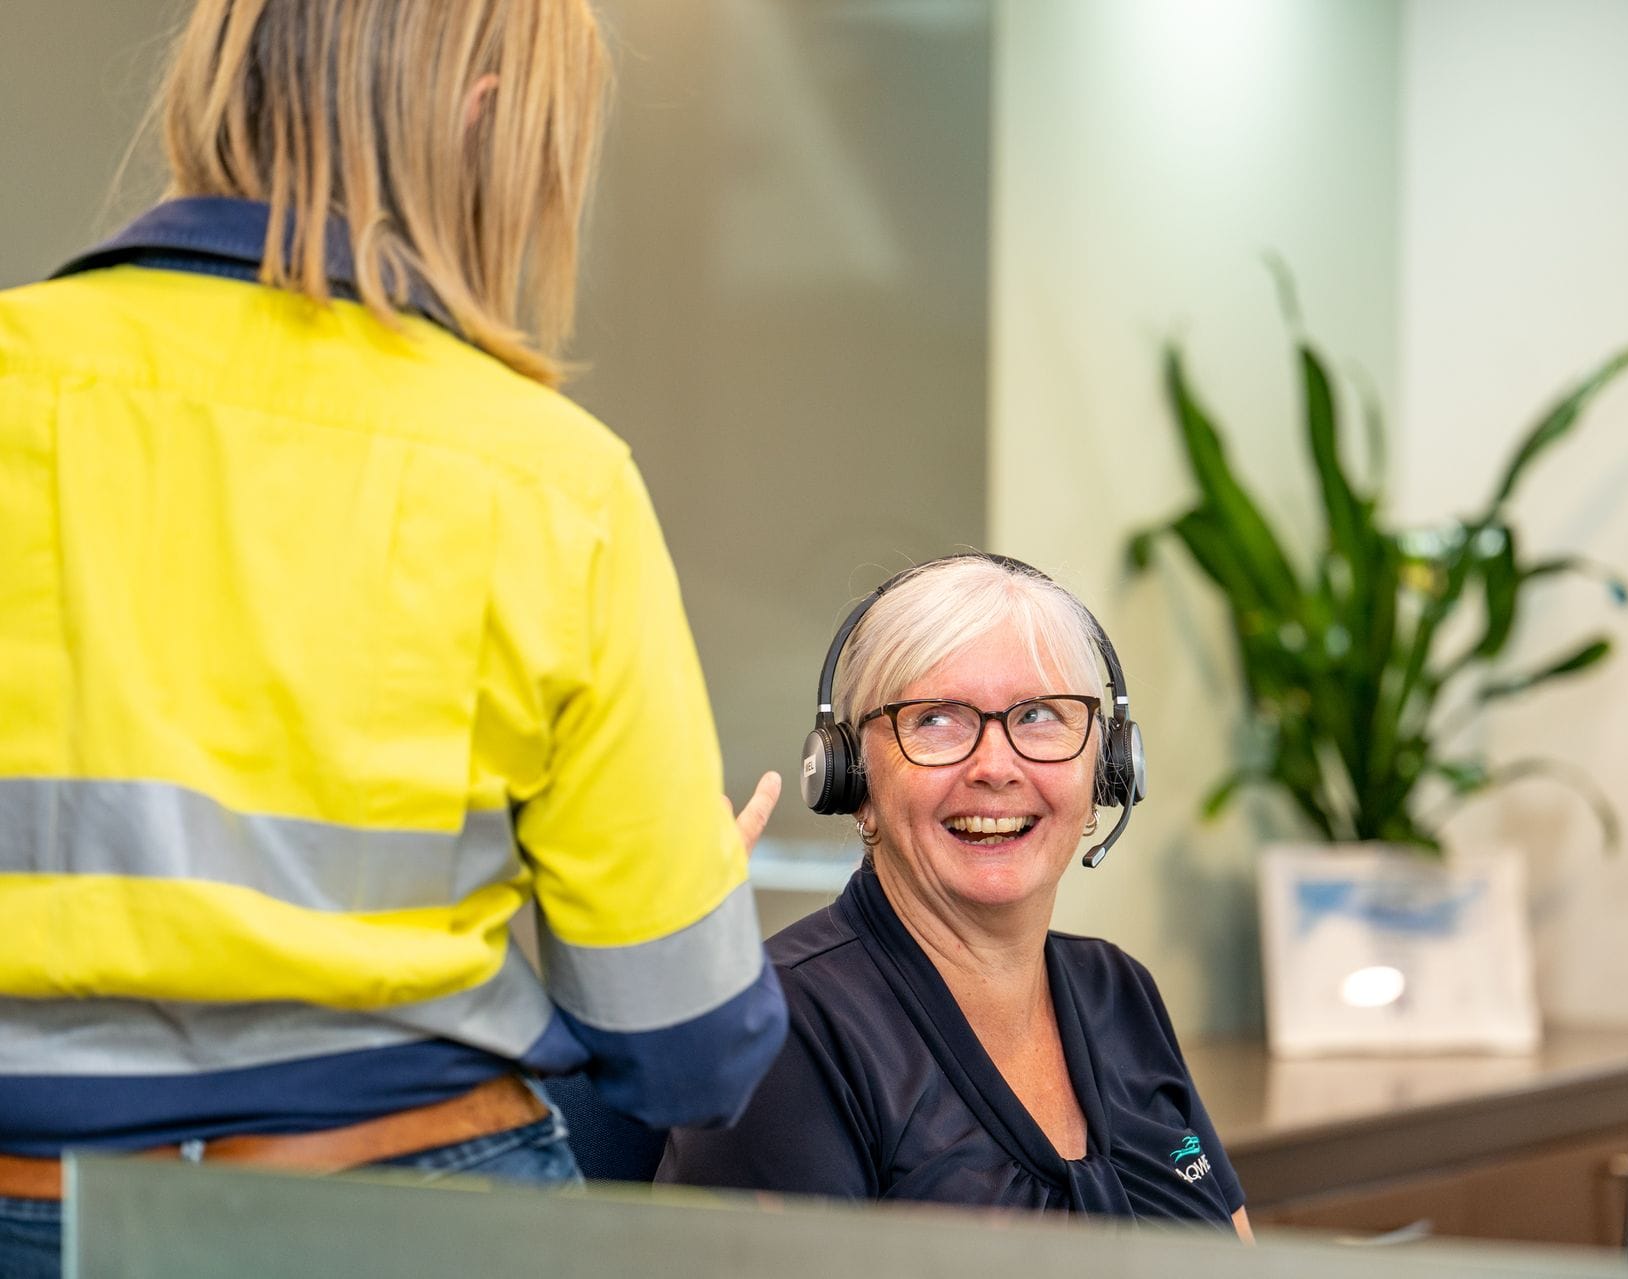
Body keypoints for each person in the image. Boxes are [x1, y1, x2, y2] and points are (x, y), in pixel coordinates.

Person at [0, 1, 787, 1272]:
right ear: (479, 118)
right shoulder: (545, 477)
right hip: (404, 1208)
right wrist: (681, 897)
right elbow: (688, 1042)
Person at [657, 556, 1253, 1240]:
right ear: (853, 778)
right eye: (935, 719)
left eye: (1038, 715)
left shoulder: (1118, 990)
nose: (995, 766)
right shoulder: (783, 1028)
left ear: (1107, 767)